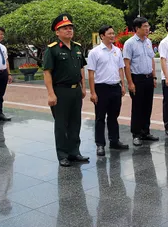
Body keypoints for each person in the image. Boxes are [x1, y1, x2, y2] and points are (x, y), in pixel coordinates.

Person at [43, 13, 88, 167]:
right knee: (61, 124)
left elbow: (81, 68)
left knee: (75, 122)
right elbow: (47, 72)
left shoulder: (77, 47)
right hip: (60, 91)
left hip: (76, 91)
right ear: (57, 32)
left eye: (70, 28)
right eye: (65, 28)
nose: (69, 30)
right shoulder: (53, 50)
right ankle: (62, 155)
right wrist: (50, 94)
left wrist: (83, 87)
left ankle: (74, 152)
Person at [87, 25, 129, 157]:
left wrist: (122, 85)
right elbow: (91, 73)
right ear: (102, 36)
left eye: (113, 33)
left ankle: (114, 141)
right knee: (100, 118)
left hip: (115, 87)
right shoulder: (95, 52)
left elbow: (120, 68)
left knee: (113, 116)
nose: (112, 35)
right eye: (109, 33)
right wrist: (93, 92)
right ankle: (100, 145)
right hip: (101, 88)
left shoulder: (117, 50)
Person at [123, 16, 159, 146]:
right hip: (137, 79)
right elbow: (126, 64)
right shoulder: (130, 43)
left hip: (148, 78)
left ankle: (146, 131)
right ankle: (136, 134)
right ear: (137, 28)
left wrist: (154, 77)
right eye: (145, 27)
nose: (148, 29)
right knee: (137, 107)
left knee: (147, 106)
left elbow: (151, 60)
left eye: (148, 26)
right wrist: (130, 83)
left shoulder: (148, 42)